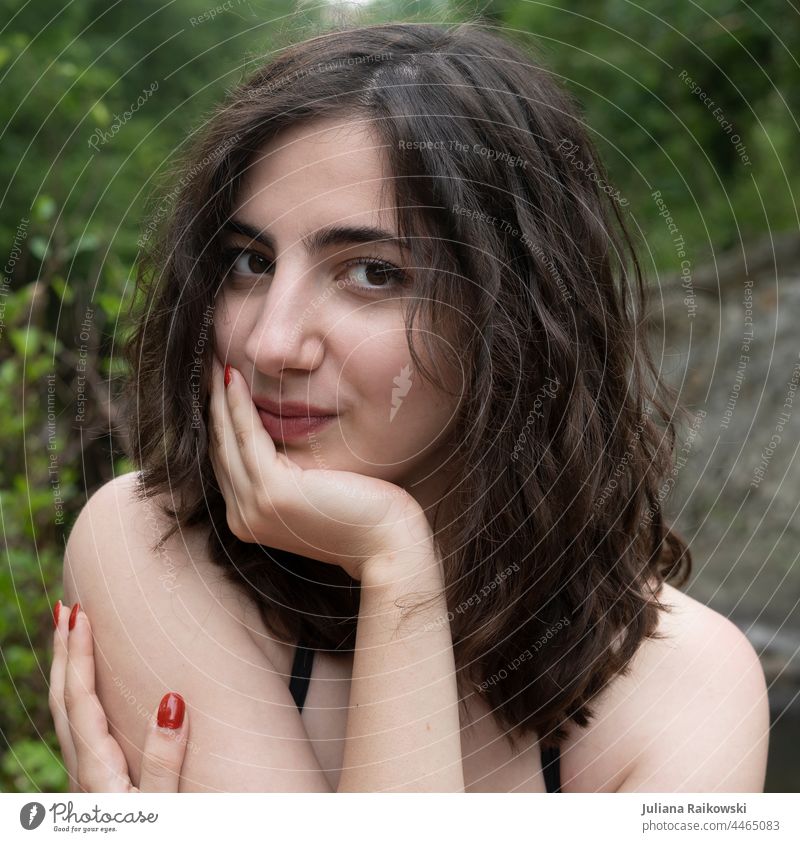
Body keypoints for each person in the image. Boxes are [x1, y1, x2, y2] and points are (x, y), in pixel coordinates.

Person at [50, 20, 769, 793]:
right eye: (250, 262)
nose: (269, 341)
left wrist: (395, 564)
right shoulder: (154, 548)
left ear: (512, 315)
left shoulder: (693, 688)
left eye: (371, 273)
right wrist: (396, 563)